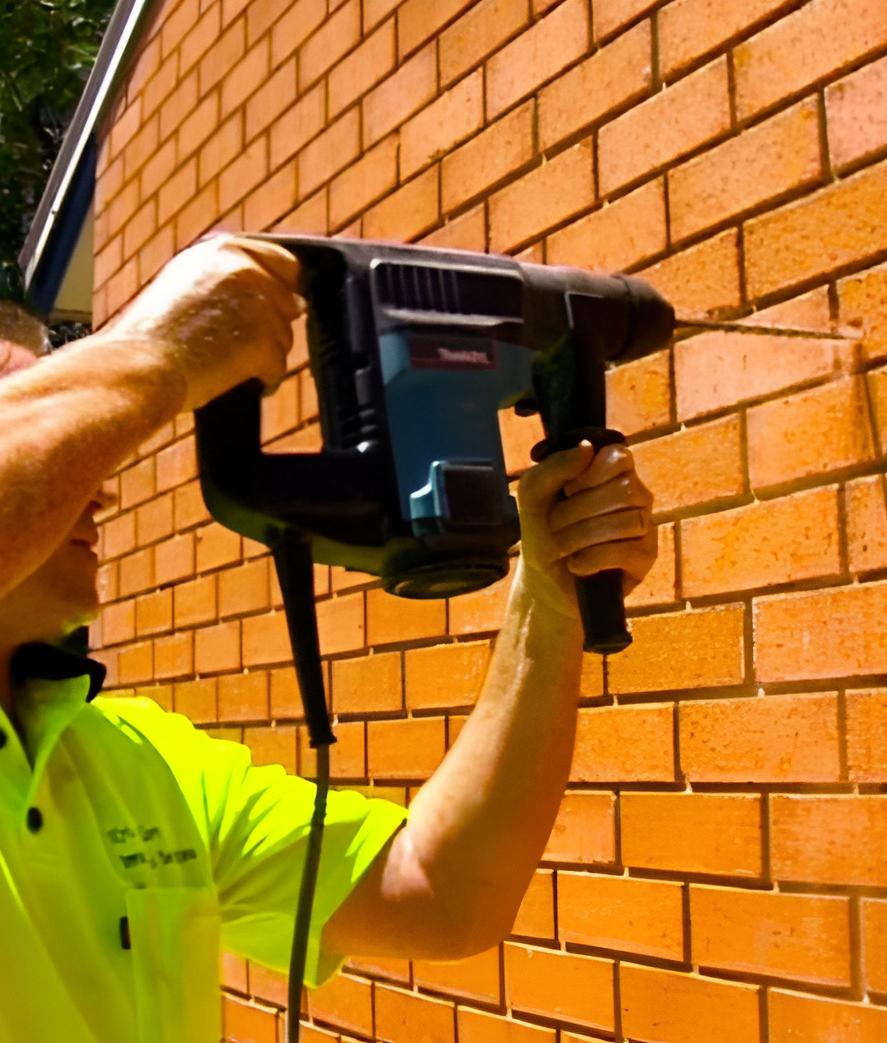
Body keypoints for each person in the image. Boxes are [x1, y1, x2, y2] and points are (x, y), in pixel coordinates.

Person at [0, 235, 656, 1041]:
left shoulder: (141, 764)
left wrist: (546, 602)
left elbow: (440, 892)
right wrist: (148, 355)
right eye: (52, 431)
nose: (97, 486)